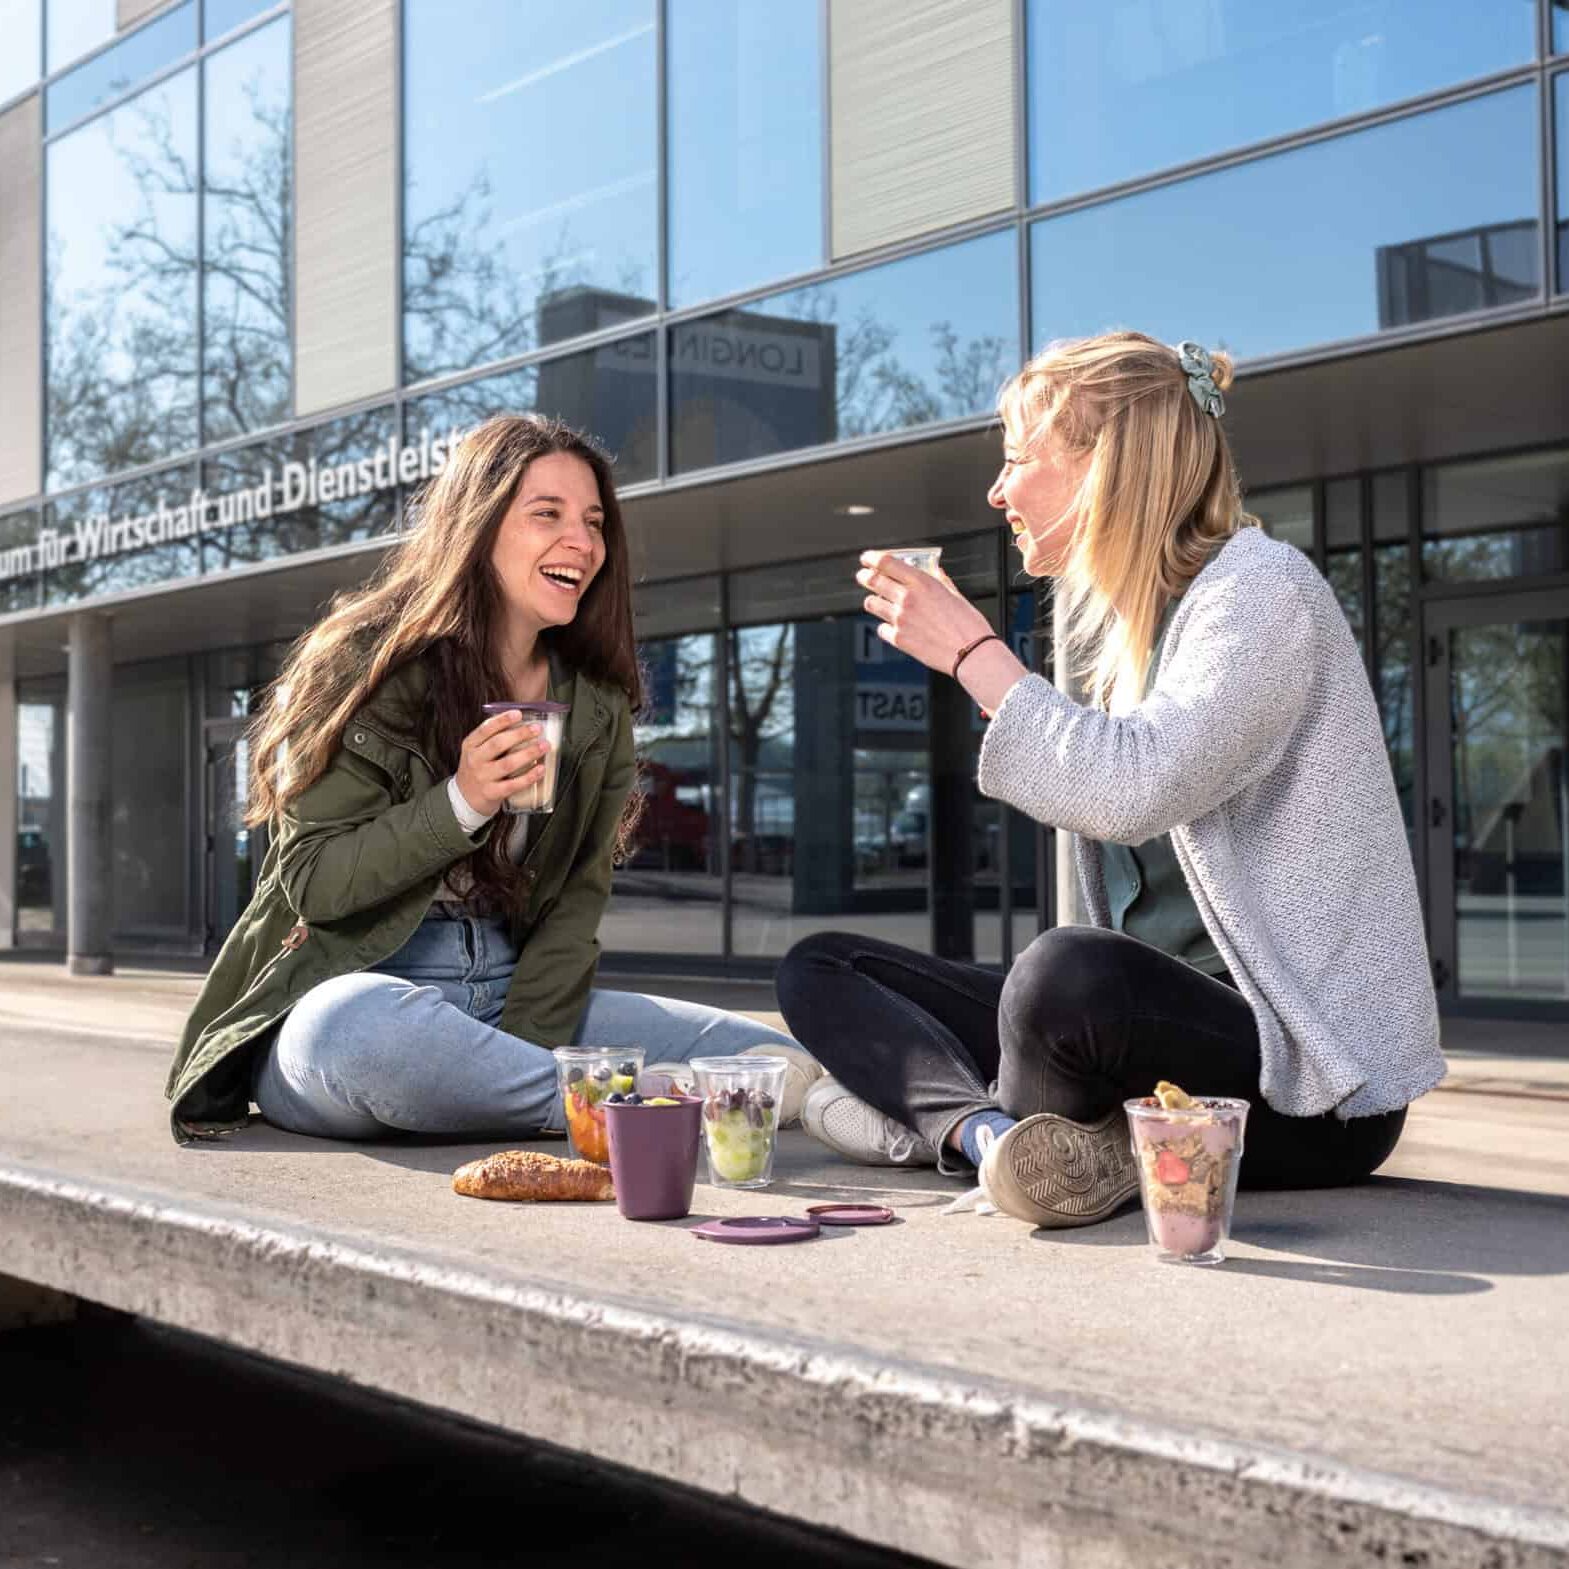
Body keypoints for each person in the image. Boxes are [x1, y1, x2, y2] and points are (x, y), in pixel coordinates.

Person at [777, 332, 1442, 1226]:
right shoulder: (1106, 633)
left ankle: (963, 1127)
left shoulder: (1260, 591)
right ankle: (994, 1140)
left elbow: (1135, 788)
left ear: (1105, 464)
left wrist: (975, 656)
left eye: (1017, 460)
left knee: (1064, 973)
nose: (996, 490)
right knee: (823, 965)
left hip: (1299, 1085)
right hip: (1134, 1057)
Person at [166, 415, 809, 1144]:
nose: (583, 542)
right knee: (354, 1033)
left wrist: (521, 1052)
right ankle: (620, 1104)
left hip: (513, 989)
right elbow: (312, 882)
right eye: (548, 514)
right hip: (359, 987)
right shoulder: (361, 665)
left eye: (594, 521)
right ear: (477, 524)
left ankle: (573, 1097)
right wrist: (462, 802)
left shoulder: (594, 705)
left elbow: (572, 907)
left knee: (771, 1054)